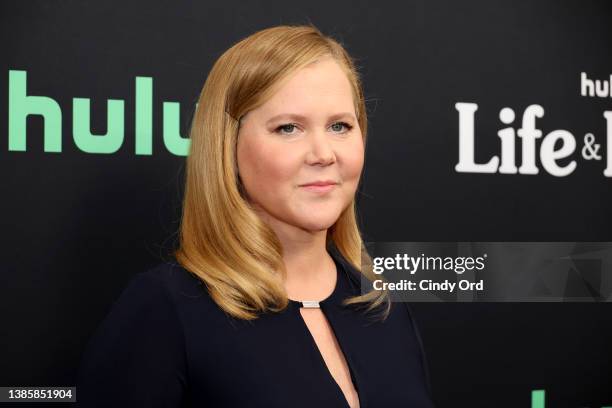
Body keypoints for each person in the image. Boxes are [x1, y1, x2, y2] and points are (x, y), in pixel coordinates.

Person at [76, 24, 435, 408]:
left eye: (339, 126)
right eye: (288, 128)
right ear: (227, 145)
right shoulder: (167, 309)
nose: (323, 153)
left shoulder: (382, 306)